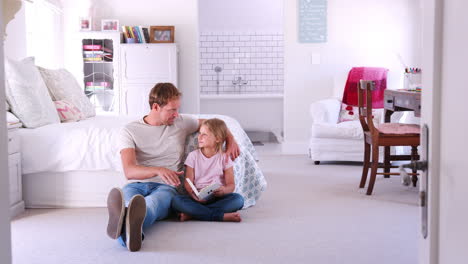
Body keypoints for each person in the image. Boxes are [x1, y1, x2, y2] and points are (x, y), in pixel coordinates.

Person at [105, 83, 240, 252]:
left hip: (166, 187)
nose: (176, 114)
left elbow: (213, 124)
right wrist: (158, 169)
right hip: (136, 184)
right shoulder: (130, 131)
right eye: (172, 110)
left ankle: (126, 225)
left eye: (178, 109)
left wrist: (231, 140)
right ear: (155, 107)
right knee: (130, 203)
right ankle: (129, 228)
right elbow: (130, 171)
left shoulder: (180, 122)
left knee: (150, 204)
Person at [171, 119, 245, 222]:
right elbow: (188, 182)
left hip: (217, 198)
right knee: (176, 201)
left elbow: (231, 185)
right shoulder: (193, 156)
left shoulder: (224, 158)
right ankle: (219, 216)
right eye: (200, 133)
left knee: (238, 200)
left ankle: (194, 215)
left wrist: (223, 190)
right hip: (197, 198)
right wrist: (192, 193)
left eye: (204, 135)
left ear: (218, 139)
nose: (199, 137)